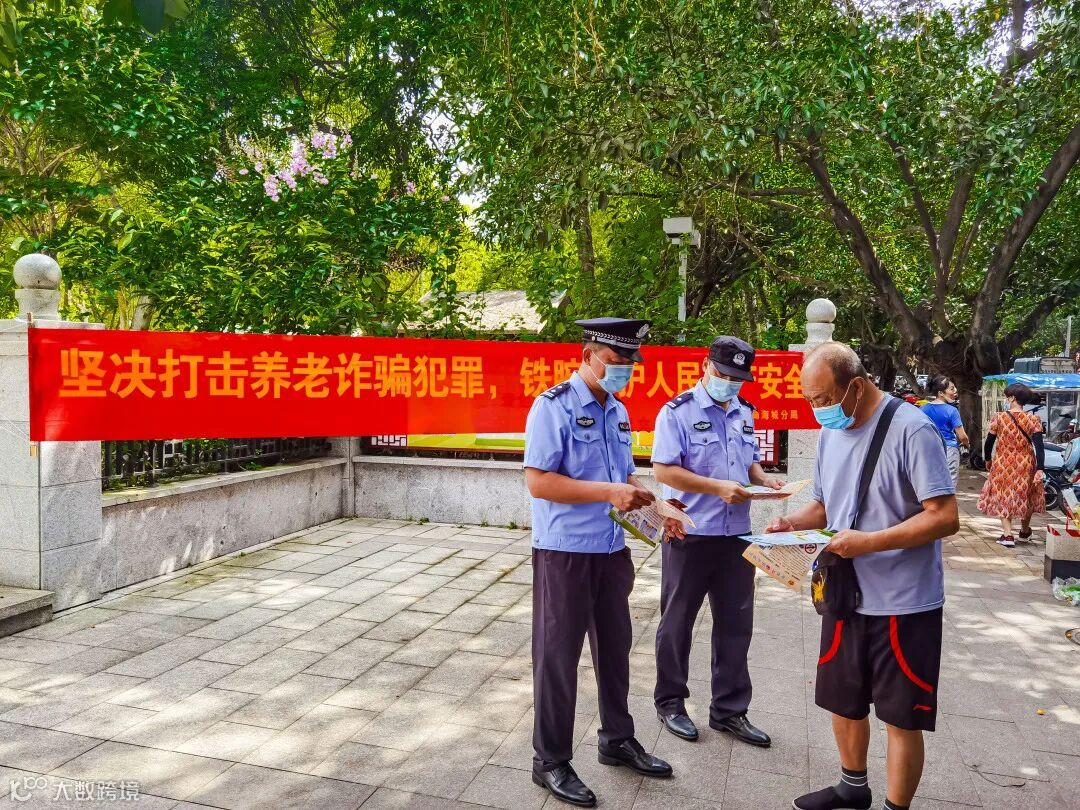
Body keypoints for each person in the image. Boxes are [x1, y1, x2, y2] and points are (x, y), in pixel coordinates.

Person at [768, 342, 958, 810]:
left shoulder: (912, 430)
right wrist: (791, 523)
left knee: (901, 716)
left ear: (855, 386)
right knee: (843, 699)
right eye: (810, 400)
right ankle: (852, 788)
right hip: (844, 594)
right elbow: (824, 505)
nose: (817, 410)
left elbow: (944, 516)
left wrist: (868, 542)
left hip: (903, 601)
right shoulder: (833, 432)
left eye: (822, 399)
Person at [523, 317, 673, 808]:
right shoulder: (553, 407)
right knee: (558, 656)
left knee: (614, 649)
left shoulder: (618, 410)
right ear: (588, 356)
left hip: (611, 551)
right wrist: (609, 492)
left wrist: (658, 507)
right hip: (565, 552)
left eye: (630, 362)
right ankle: (550, 760)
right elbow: (539, 481)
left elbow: (624, 474)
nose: (624, 369)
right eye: (615, 360)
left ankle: (617, 739)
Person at [649, 336, 784, 746]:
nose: (730, 383)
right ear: (706, 366)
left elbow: (749, 462)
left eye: (738, 378)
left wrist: (764, 480)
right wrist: (716, 487)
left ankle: (729, 710)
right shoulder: (677, 412)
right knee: (677, 623)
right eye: (724, 374)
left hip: (736, 534)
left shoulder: (744, 411)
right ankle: (670, 703)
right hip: (690, 533)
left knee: (736, 624)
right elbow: (664, 470)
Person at [977, 383, 1046, 548]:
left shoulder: (999, 417)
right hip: (1026, 463)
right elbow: (1039, 447)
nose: (1006, 399)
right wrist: (1040, 468)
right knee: (1026, 495)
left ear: (1013, 398)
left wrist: (988, 459)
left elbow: (989, 442)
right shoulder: (1033, 419)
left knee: (1004, 496)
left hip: (1003, 462)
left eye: (1007, 396)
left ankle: (1008, 535)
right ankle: (1024, 531)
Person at [920, 375, 970, 487]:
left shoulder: (922, 409)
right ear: (941, 393)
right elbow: (962, 436)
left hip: (928, 450)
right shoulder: (952, 411)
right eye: (952, 389)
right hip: (949, 451)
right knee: (949, 485)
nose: (955, 391)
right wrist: (967, 444)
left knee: (930, 485)